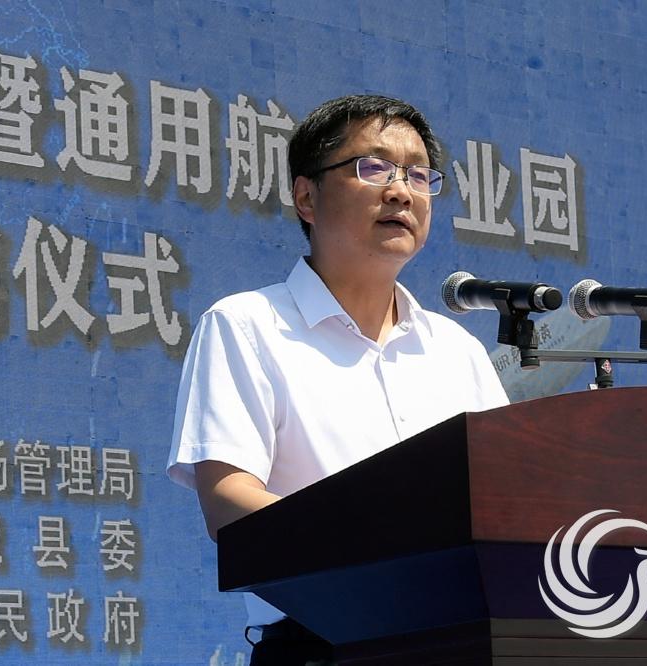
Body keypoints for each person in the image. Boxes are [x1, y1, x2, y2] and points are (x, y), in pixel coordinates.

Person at [166, 94, 509, 665]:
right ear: (307, 197)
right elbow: (227, 500)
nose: (401, 191)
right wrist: (379, 551)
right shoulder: (248, 325)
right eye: (374, 167)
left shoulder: (458, 352)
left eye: (418, 175)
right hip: (321, 644)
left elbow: (505, 502)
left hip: (463, 642)